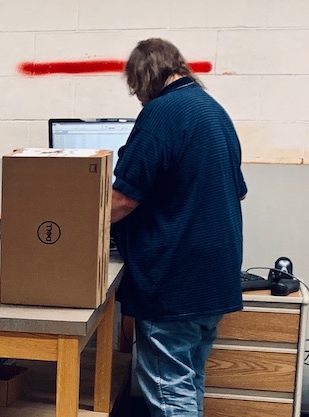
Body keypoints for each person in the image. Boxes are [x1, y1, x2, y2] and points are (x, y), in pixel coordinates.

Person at [110, 38, 247, 417]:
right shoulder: (214, 112)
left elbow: (123, 199)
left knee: (170, 391)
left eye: (137, 88)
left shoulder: (162, 112)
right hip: (214, 280)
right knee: (188, 382)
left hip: (174, 284)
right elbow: (235, 193)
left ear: (145, 76)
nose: (138, 97)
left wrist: (75, 227)